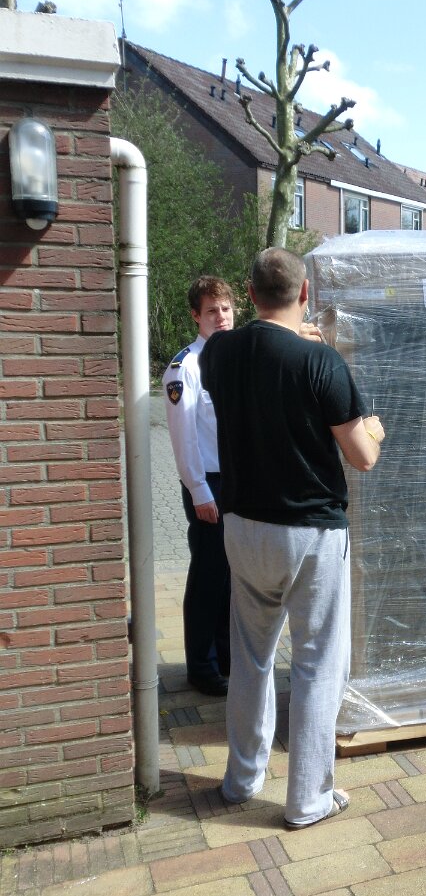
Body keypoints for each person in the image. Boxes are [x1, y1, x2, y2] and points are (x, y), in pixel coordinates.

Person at [200, 247, 385, 829]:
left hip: (242, 528)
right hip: (310, 533)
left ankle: (241, 780)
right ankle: (307, 799)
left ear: (249, 294)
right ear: (306, 294)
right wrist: (375, 429)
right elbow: (362, 457)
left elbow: (251, 348)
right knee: (316, 664)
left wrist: (292, 337)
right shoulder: (321, 362)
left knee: (251, 658)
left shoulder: (219, 354)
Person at [162, 276, 235, 697]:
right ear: (196, 316)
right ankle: (202, 666)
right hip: (210, 483)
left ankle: (226, 657)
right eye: (211, 311)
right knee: (208, 575)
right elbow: (183, 437)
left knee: (232, 576)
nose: (220, 317)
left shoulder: (238, 356)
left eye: (225, 308)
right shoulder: (185, 368)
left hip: (239, 481)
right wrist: (199, 490)